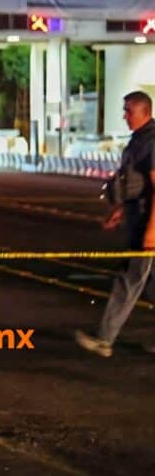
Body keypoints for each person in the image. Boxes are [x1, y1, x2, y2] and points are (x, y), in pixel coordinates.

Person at [76, 90, 155, 357]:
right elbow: (133, 182)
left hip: (148, 223)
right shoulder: (138, 141)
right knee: (151, 285)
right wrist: (120, 210)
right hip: (137, 217)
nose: (124, 116)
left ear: (145, 112)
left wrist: (152, 231)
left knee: (129, 280)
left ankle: (104, 339)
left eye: (128, 111)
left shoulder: (151, 142)